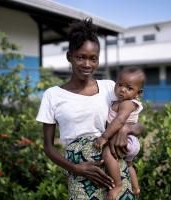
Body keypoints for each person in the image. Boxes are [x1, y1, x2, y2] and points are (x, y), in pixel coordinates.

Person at [36, 18, 142, 199]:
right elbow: (48, 146)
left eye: (93, 59)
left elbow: (139, 126)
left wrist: (126, 129)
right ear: (69, 56)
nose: (87, 64)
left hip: (115, 170)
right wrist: (75, 168)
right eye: (80, 57)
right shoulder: (53, 95)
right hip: (80, 174)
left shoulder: (111, 88)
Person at [94, 67, 145, 199]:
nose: (122, 89)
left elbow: (120, 120)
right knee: (129, 164)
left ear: (138, 93)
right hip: (131, 142)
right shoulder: (118, 102)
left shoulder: (128, 103)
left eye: (129, 88)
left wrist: (104, 137)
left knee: (106, 153)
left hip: (127, 140)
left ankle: (117, 185)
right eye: (119, 85)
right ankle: (136, 187)